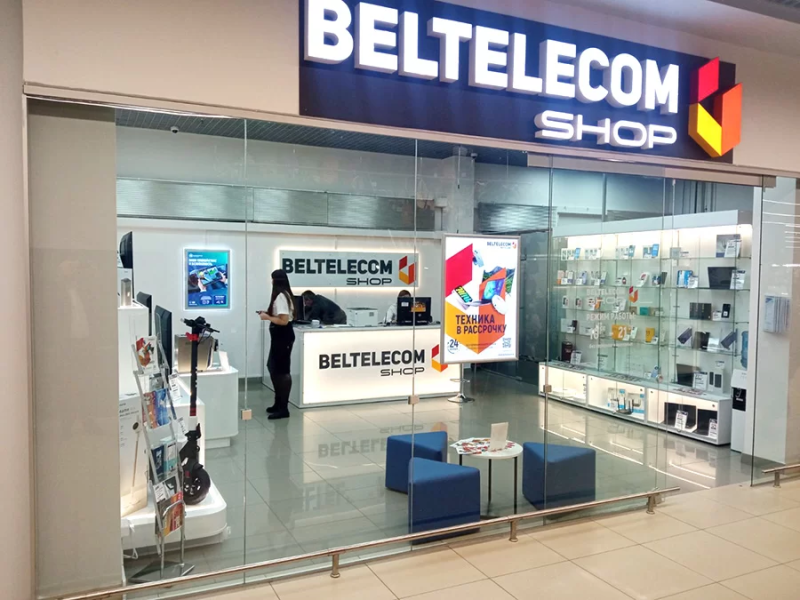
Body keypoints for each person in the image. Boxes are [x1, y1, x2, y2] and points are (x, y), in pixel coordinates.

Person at [258, 269, 296, 420]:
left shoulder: (281, 297)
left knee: (281, 371)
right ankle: (278, 403)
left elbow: (283, 321)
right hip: (280, 337)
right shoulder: (284, 295)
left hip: (283, 336)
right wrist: (268, 314)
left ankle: (283, 408)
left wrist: (267, 317)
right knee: (273, 367)